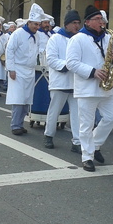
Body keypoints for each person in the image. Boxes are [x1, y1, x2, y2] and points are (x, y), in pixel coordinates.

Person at [66, 5, 113, 172]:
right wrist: (93, 72)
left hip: (106, 88)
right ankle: (87, 157)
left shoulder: (108, 37)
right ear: (88, 22)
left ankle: (95, 145)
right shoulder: (78, 39)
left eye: (102, 19)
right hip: (87, 88)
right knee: (86, 124)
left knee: (111, 117)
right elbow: (71, 63)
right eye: (97, 19)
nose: (101, 22)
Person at [44, 9, 82, 150]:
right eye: (74, 23)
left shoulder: (80, 39)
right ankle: (49, 135)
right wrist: (68, 65)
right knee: (54, 111)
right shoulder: (55, 38)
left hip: (76, 82)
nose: (76, 26)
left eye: (78, 23)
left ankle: (77, 142)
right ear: (66, 24)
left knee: (77, 113)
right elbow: (51, 59)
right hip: (60, 81)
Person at [5, 4, 43, 135]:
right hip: (18, 69)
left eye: (38, 25)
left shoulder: (37, 36)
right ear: (29, 22)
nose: (37, 28)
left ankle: (20, 123)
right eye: (35, 25)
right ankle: (15, 125)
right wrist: (11, 69)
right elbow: (9, 51)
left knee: (26, 100)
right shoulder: (18, 34)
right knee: (18, 100)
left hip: (30, 71)